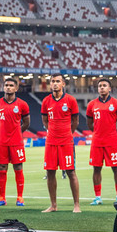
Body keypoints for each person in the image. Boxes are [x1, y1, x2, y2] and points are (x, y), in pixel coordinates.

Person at [41, 74, 80, 213]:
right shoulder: (46, 101)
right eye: (53, 81)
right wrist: (51, 130)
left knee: (71, 172)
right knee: (50, 172)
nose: (55, 84)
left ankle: (76, 205)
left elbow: (75, 121)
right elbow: (45, 120)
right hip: (51, 141)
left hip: (66, 141)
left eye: (58, 81)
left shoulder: (71, 100)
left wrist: (68, 133)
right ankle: (53, 205)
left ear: (63, 84)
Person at [0, 78, 30, 206]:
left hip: (16, 142)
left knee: (18, 167)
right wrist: (2, 132)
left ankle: (20, 197)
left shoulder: (22, 104)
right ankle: (2, 197)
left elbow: (26, 122)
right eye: (6, 85)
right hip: (2, 142)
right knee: (2, 168)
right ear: (3, 87)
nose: (8, 87)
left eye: (11, 85)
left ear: (16, 88)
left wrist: (17, 132)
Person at [87, 79, 117, 204]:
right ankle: (97, 197)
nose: (102, 88)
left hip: (112, 142)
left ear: (110, 89)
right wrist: (98, 133)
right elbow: (89, 123)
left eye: (104, 86)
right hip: (97, 142)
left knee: (116, 168)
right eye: (100, 86)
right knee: (96, 168)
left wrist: (113, 134)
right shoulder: (92, 104)